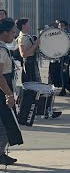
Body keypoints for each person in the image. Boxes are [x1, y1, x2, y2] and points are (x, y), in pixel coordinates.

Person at [0, 18, 23, 165]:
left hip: (5, 87)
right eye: (13, 32)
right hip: (2, 90)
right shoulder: (0, 50)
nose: (14, 35)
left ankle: (1, 154)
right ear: (4, 32)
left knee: (6, 125)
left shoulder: (4, 47)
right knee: (6, 125)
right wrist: (8, 94)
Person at [48, 20, 70, 96]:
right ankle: (51, 88)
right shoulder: (54, 35)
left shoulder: (68, 36)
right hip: (54, 57)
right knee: (52, 73)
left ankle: (63, 89)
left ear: (66, 27)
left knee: (63, 73)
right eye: (59, 25)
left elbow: (68, 47)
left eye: (62, 26)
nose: (60, 27)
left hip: (64, 57)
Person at [15, 18, 41, 83]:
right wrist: (35, 45)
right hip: (28, 63)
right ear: (23, 26)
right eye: (28, 24)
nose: (29, 25)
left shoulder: (27, 36)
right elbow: (23, 54)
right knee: (30, 84)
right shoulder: (22, 38)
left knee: (34, 83)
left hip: (32, 61)